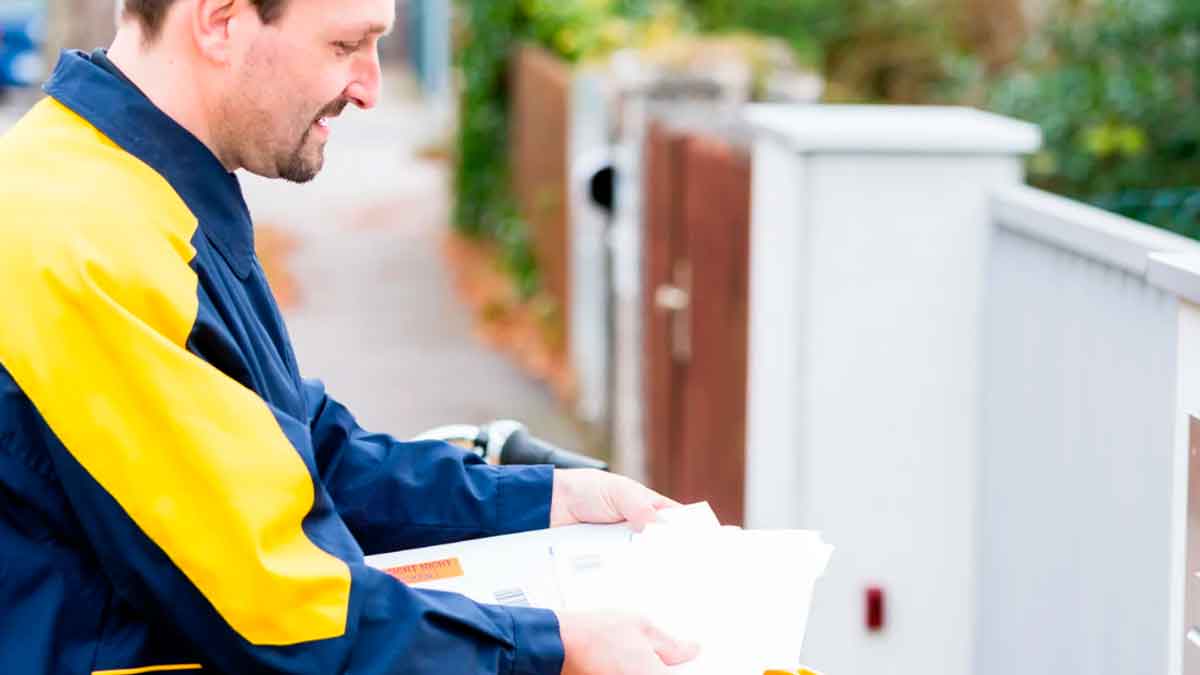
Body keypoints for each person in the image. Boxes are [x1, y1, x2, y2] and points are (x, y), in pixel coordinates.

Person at [0, 0, 701, 673]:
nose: (368, 87)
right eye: (344, 45)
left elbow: (294, 452)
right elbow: (279, 608)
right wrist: (552, 648)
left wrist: (545, 500)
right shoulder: (86, 245)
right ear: (220, 21)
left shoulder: (130, 184)